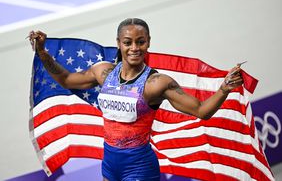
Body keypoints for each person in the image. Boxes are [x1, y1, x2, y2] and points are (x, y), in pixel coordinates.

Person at [28, 18, 243, 181]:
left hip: (139, 167)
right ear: (119, 44)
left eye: (140, 42)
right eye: (128, 42)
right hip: (110, 164)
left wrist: (224, 89)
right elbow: (66, 80)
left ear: (148, 42)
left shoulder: (157, 83)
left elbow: (201, 111)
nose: (134, 48)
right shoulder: (103, 73)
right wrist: (43, 53)